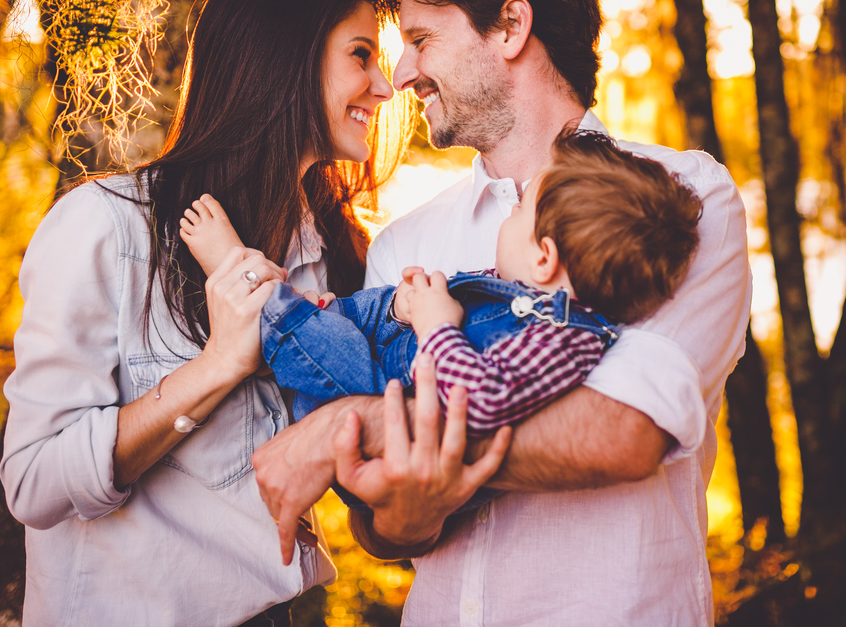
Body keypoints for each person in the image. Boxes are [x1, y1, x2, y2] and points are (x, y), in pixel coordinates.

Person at [252, 0, 752, 625]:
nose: (400, 76)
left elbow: (623, 433)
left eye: (422, 40)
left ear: (511, 26)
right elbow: (379, 526)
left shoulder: (678, 201)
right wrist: (405, 509)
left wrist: (372, 422)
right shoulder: (405, 247)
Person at [0, 0, 430, 626]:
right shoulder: (108, 228)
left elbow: (369, 479)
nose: (384, 86)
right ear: (284, 58)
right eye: (360, 55)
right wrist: (219, 365)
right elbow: (33, 483)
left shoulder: (338, 257)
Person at [178, 129, 702, 517]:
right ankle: (303, 312)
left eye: (518, 213)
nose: (509, 217)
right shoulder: (522, 295)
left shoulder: (564, 340)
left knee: (312, 333)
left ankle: (245, 277)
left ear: (545, 258)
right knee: (355, 315)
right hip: (385, 357)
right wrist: (414, 303)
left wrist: (435, 327)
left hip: (370, 389)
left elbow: (484, 400)